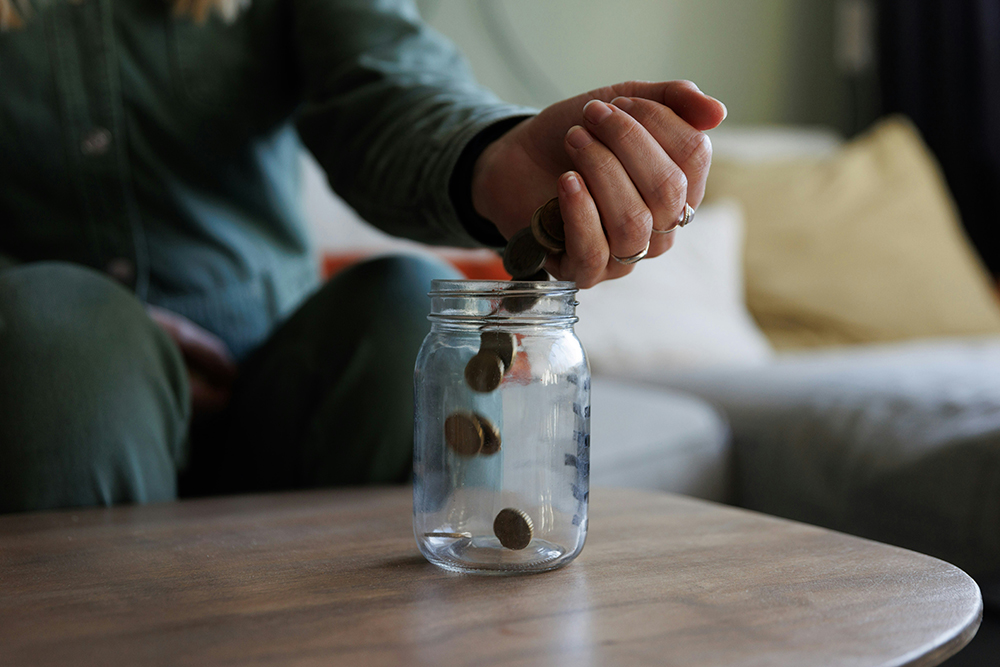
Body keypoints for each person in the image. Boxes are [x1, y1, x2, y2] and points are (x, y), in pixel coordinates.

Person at [0, 0, 726, 512]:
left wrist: (498, 158)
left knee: (411, 307)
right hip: (41, 395)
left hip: (277, 392)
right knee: (68, 349)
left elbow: (382, 83)